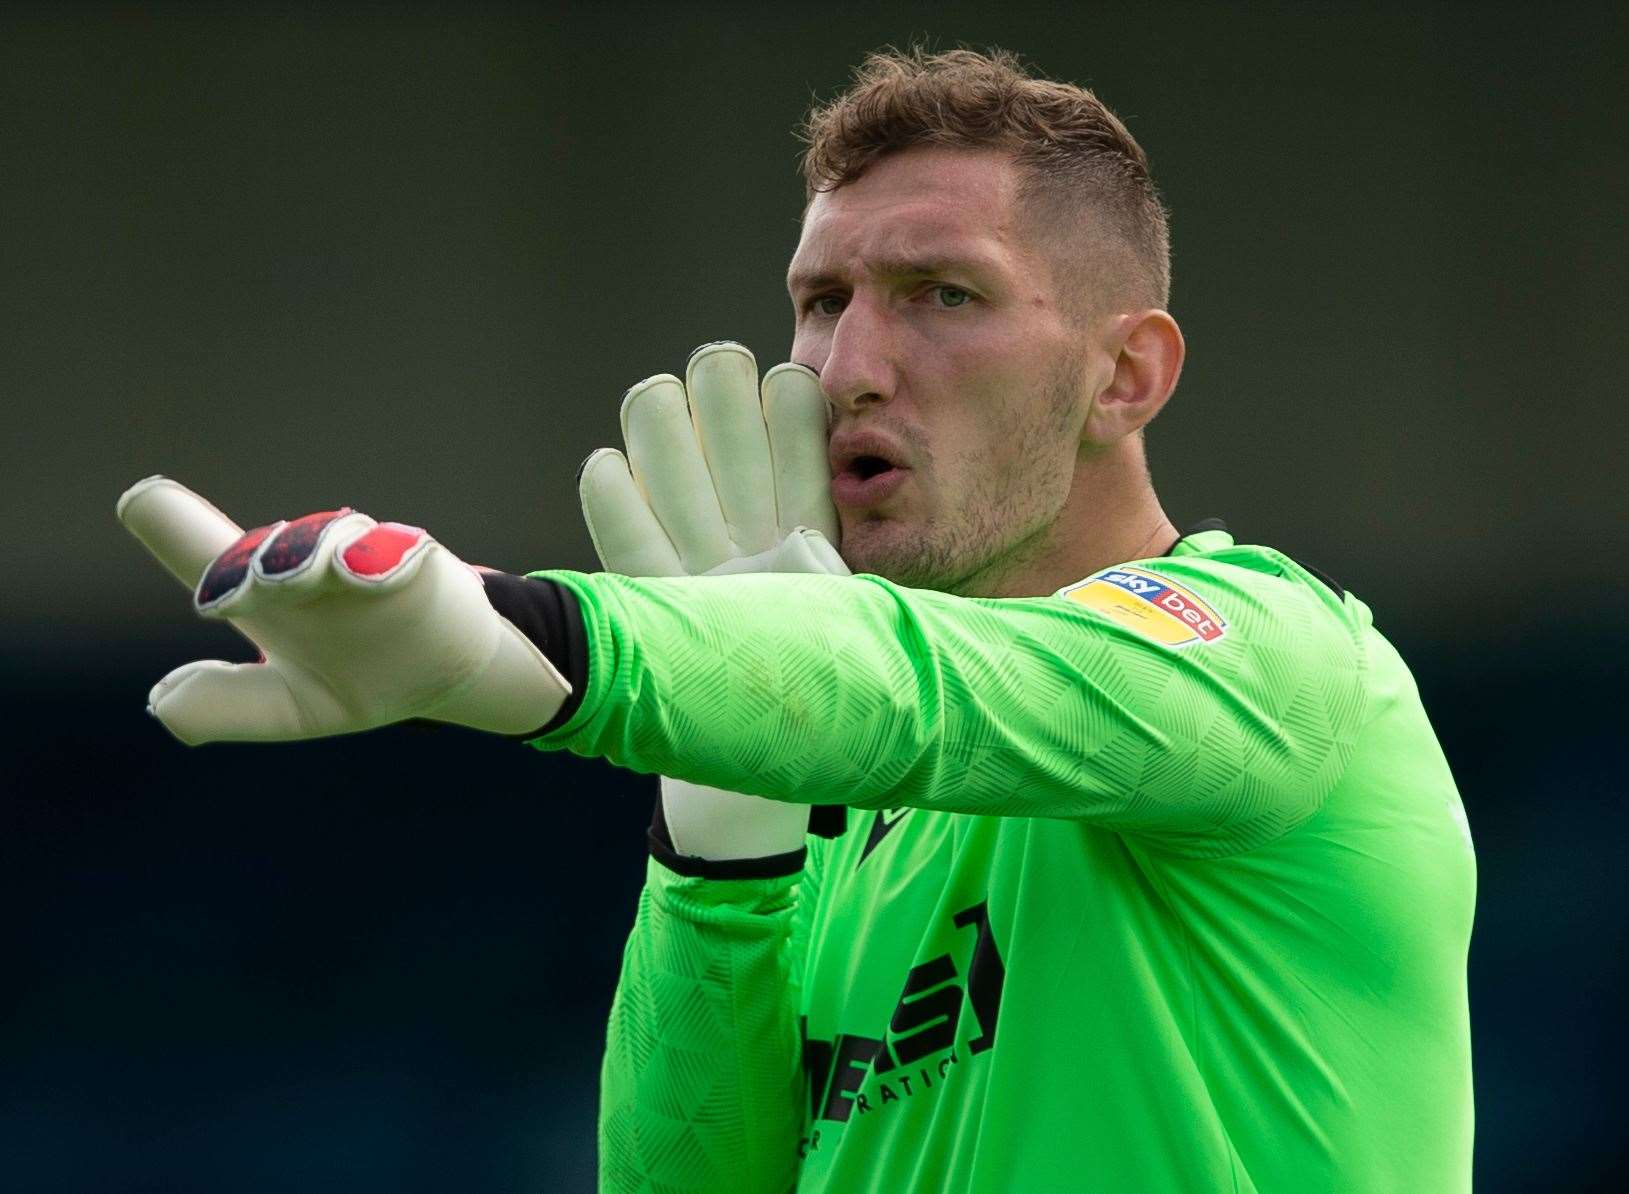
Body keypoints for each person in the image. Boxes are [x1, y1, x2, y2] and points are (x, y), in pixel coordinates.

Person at [119, 47, 1474, 1194]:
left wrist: (518, 638)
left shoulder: (1283, 658)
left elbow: (945, 692)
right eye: (820, 302)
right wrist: (716, 847)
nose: (847, 368)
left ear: (1124, 373)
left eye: (943, 294)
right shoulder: (832, 822)